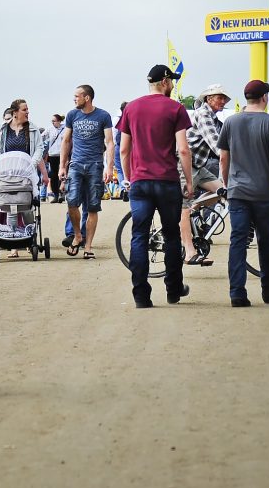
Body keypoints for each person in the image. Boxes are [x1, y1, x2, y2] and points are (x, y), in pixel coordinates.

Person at [117, 64, 195, 308]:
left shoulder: (131, 107)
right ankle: (173, 290)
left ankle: (141, 296)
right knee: (172, 235)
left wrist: (129, 177)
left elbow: (123, 149)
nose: (172, 84)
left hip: (140, 182)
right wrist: (190, 182)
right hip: (167, 181)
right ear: (164, 81)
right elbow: (183, 149)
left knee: (139, 236)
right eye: (171, 80)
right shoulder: (176, 108)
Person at [217, 80, 269, 307]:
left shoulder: (230, 122)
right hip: (262, 194)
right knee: (265, 240)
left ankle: (237, 293)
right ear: (264, 98)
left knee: (238, 241)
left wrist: (227, 182)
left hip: (238, 192)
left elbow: (223, 157)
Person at [0, 99, 49, 258]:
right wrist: (3, 165)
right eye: (25, 109)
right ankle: (13, 246)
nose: (27, 112)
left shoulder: (32, 129)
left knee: (26, 207)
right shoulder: (2, 130)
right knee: (9, 207)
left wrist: (32, 163)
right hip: (7, 174)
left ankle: (30, 238)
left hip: (26, 173)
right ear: (15, 112)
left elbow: (39, 148)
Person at [59, 84, 114, 257]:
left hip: (95, 165)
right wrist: (62, 165)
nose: (74, 99)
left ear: (87, 97)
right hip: (76, 164)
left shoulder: (103, 116)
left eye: (77, 96)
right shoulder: (72, 115)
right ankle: (77, 236)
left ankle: (88, 247)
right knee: (72, 202)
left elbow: (110, 142)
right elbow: (66, 141)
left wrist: (109, 167)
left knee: (92, 207)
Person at [180, 83, 229, 266]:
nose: (223, 101)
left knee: (224, 191)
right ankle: (189, 252)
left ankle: (194, 210)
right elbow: (216, 144)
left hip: (198, 165)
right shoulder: (203, 114)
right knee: (183, 207)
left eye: (224, 98)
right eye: (219, 97)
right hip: (185, 164)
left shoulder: (216, 119)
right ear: (209, 99)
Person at [42, 113, 67, 202]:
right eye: (51, 121)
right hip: (52, 155)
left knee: (62, 174)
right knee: (53, 175)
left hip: (62, 154)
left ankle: (61, 193)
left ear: (59, 121)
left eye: (54, 121)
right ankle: (56, 195)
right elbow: (42, 137)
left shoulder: (65, 128)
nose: (52, 123)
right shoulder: (49, 129)